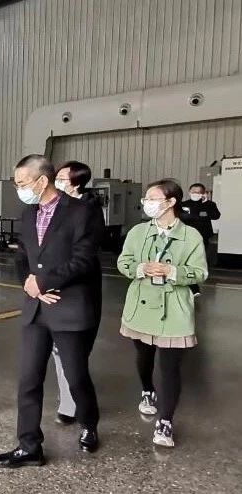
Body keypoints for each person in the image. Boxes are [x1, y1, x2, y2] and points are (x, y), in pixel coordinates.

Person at [0, 155, 101, 469]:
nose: (19, 189)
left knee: (76, 376)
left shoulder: (82, 211)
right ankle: (29, 446)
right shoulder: (29, 213)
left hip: (68, 307)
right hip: (36, 309)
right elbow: (23, 256)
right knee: (28, 378)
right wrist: (29, 284)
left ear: (42, 180)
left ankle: (89, 423)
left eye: (22, 183)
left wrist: (44, 281)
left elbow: (84, 259)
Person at [117, 179, 208, 448]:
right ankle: (147, 389)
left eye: (153, 198)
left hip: (175, 308)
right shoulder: (137, 232)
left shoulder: (191, 236)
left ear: (171, 202)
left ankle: (165, 421)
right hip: (141, 304)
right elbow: (123, 261)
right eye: (146, 199)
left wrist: (173, 272)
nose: (147, 203)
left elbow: (200, 272)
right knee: (144, 356)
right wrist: (141, 268)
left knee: (170, 367)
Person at [52, 162, 105, 425]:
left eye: (62, 178)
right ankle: (68, 402)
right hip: (54, 285)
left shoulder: (89, 210)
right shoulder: (54, 207)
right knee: (58, 350)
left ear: (76, 183)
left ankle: (78, 402)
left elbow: (84, 253)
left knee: (75, 351)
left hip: (79, 286)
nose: (57, 181)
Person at [180, 183, 220, 297]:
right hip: (187, 237)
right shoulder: (184, 205)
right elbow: (182, 216)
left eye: (198, 192)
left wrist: (205, 204)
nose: (196, 194)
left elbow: (215, 216)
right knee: (186, 260)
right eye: (193, 191)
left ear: (203, 193)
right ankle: (193, 286)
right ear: (189, 192)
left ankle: (194, 284)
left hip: (203, 237)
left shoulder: (210, 204)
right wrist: (197, 215)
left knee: (198, 260)